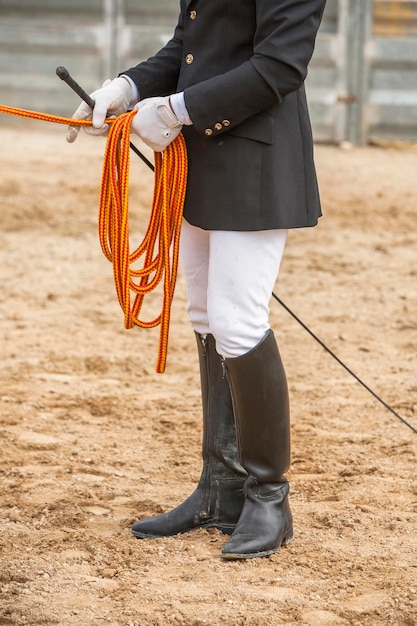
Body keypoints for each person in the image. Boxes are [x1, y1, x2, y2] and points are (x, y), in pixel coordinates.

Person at [67, 0, 327, 560]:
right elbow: (191, 45)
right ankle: (222, 489)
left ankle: (269, 500)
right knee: (206, 317)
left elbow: (280, 65)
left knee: (238, 321)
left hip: (256, 159)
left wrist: (179, 109)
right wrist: (129, 87)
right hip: (201, 157)